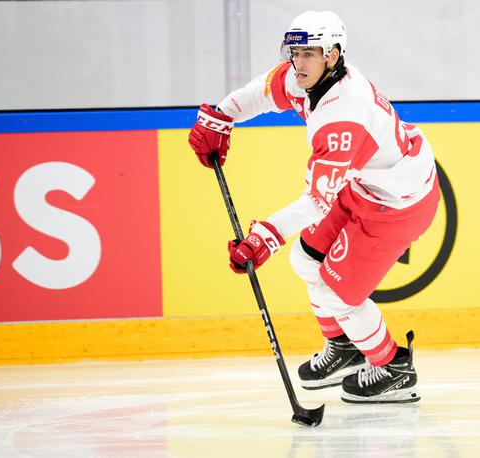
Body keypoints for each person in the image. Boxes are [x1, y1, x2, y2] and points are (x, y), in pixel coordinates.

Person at [188, 10, 440, 404]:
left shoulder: (344, 114)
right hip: (363, 185)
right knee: (305, 262)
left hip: (398, 204)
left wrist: (264, 237)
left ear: (334, 55)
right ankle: (346, 347)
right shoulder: (308, 76)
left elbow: (317, 201)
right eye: (295, 52)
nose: (298, 62)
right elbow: (261, 93)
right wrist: (222, 117)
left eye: (309, 53)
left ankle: (393, 367)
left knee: (339, 295)